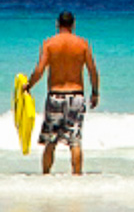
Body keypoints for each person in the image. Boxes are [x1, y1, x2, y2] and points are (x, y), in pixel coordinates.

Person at [27, 10, 100, 175]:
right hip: (76, 96)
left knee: (50, 141)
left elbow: (40, 70)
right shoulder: (82, 44)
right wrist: (95, 92)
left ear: (57, 24)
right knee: (75, 141)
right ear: (73, 25)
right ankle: (77, 179)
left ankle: (45, 176)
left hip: (55, 96)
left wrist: (28, 86)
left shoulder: (49, 44)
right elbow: (92, 70)